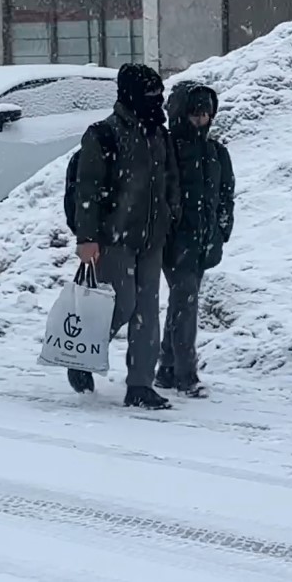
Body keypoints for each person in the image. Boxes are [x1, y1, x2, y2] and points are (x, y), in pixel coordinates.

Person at [68, 63, 180, 410]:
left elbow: (170, 181)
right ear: (130, 95)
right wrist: (87, 238)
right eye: (150, 95)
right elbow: (88, 188)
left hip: (152, 238)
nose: (156, 101)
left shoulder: (159, 135)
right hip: (113, 238)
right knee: (123, 303)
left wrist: (170, 215)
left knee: (148, 311)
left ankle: (140, 386)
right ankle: (82, 355)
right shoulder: (103, 134)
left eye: (159, 95)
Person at [154, 81, 236, 399]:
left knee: (181, 303)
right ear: (180, 114)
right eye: (195, 113)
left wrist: (221, 230)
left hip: (204, 241)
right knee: (185, 303)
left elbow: (225, 195)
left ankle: (166, 369)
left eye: (206, 113)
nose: (201, 119)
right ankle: (186, 375)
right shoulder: (167, 149)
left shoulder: (217, 153)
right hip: (175, 242)